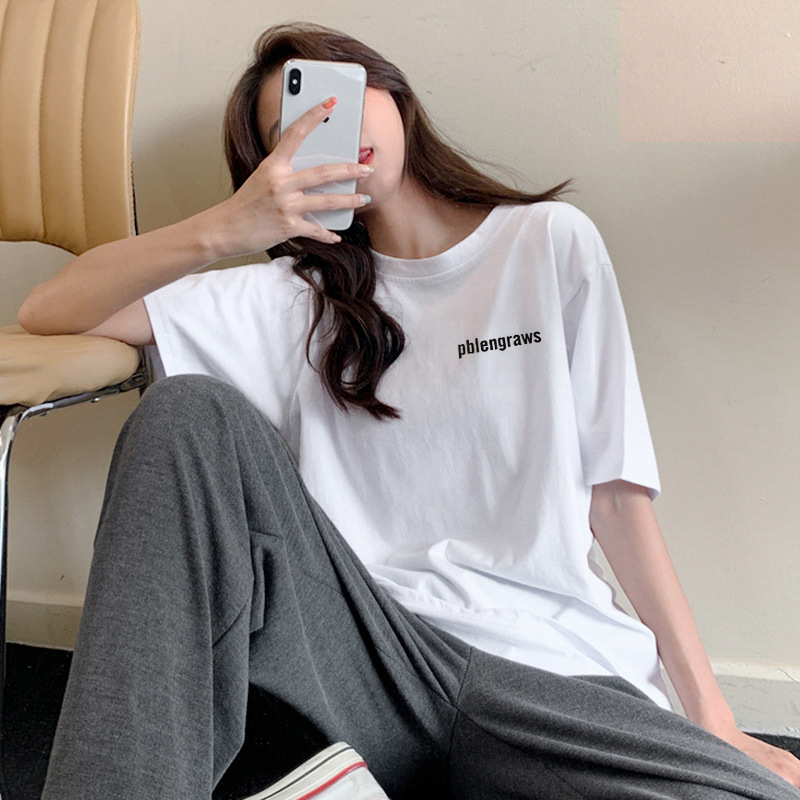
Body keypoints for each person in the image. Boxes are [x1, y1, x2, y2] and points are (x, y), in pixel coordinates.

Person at [19, 20, 800, 800]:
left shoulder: (550, 244)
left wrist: (715, 719)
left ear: (393, 93)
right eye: (296, 123)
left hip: (547, 677)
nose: (330, 123)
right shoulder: (288, 300)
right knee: (186, 413)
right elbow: (51, 311)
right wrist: (228, 227)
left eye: (344, 93)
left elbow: (617, 501)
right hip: (364, 661)